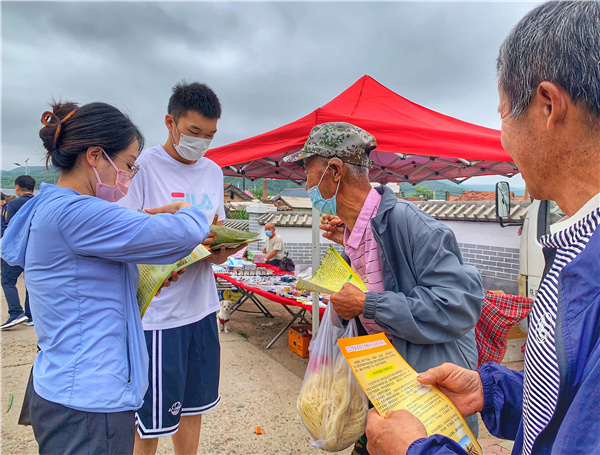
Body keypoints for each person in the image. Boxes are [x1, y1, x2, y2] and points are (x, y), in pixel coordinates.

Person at [364, 2, 600, 454]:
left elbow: (456, 305)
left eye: (502, 113)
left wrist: (417, 450)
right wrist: (494, 393)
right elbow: (571, 408)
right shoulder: (578, 242)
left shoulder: (412, 225)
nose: (502, 138)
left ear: (547, 106)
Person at [0, 100, 212, 455]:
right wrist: (186, 208)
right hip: (89, 400)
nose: (127, 178)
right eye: (128, 165)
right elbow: (183, 233)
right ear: (96, 155)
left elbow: (86, 282)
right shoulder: (76, 211)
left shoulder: (52, 206)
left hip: (74, 387)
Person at [285, 122, 484, 450]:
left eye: (308, 172)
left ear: (334, 172)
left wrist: (367, 304)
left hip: (429, 405)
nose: (305, 184)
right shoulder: (355, 235)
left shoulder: (411, 225)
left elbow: (458, 305)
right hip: (384, 397)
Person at [117, 81, 246, 455]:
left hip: (201, 308)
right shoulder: (143, 167)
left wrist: (221, 250)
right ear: (170, 122)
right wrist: (179, 243)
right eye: (194, 132)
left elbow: (213, 234)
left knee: (194, 407)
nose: (202, 141)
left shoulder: (213, 171)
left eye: (209, 135)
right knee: (152, 419)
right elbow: (128, 234)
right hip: (159, 316)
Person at [1, 175, 36, 329]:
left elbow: (10, 228)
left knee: (7, 280)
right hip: (35, 249)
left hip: (17, 249)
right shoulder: (39, 203)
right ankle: (30, 315)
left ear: (17, 188)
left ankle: (16, 312)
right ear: (33, 188)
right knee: (29, 282)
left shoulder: (13, 204)